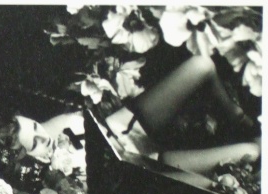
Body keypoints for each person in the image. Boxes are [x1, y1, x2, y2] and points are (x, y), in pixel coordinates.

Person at [103, 55, 261, 177]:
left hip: (144, 162)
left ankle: (238, 118)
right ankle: (238, 117)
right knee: (203, 65)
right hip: (124, 139)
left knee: (253, 151)